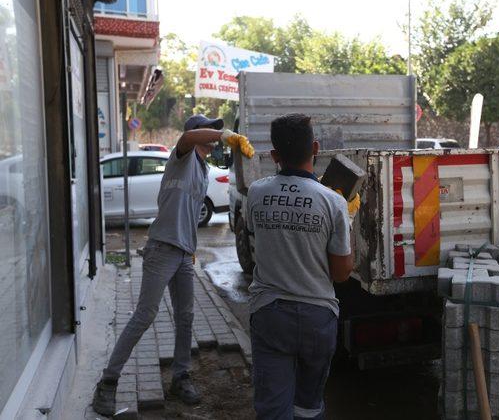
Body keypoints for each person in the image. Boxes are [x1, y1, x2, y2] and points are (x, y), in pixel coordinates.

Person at [92, 115, 254, 417]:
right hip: (162, 250)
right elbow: (188, 140)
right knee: (145, 315)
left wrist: (190, 247)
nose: (215, 134)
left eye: (216, 130)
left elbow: (188, 213)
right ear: (194, 133)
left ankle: (181, 377)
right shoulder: (182, 155)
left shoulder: (203, 169)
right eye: (209, 129)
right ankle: (108, 382)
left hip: (182, 254)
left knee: (187, 317)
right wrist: (224, 135)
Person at [247, 113, 359, 419]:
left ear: (274, 156)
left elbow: (258, 236)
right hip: (317, 319)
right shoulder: (333, 202)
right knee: (308, 408)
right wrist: (345, 220)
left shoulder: (256, 192)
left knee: (272, 409)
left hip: (270, 315)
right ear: (316, 148)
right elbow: (341, 273)